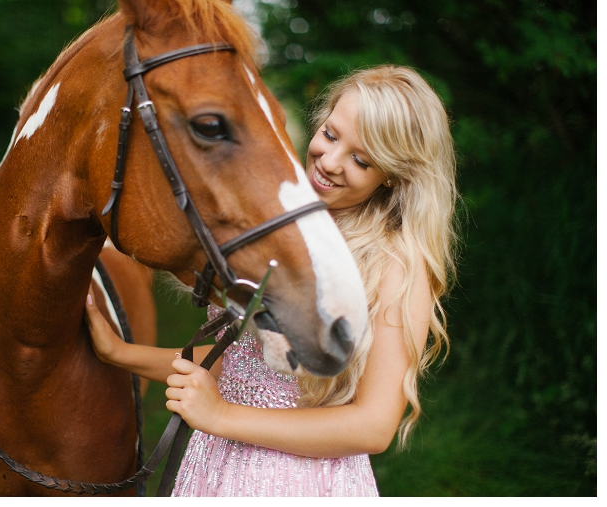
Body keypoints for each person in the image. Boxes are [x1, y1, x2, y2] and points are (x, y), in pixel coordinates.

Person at [85, 65, 458, 496]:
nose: (330, 163)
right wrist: (120, 353)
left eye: (361, 160)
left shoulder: (396, 266)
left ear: (392, 174)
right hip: (213, 463)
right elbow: (242, 361)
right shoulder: (281, 227)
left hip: (295, 483)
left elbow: (373, 426)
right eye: (331, 135)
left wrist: (222, 416)